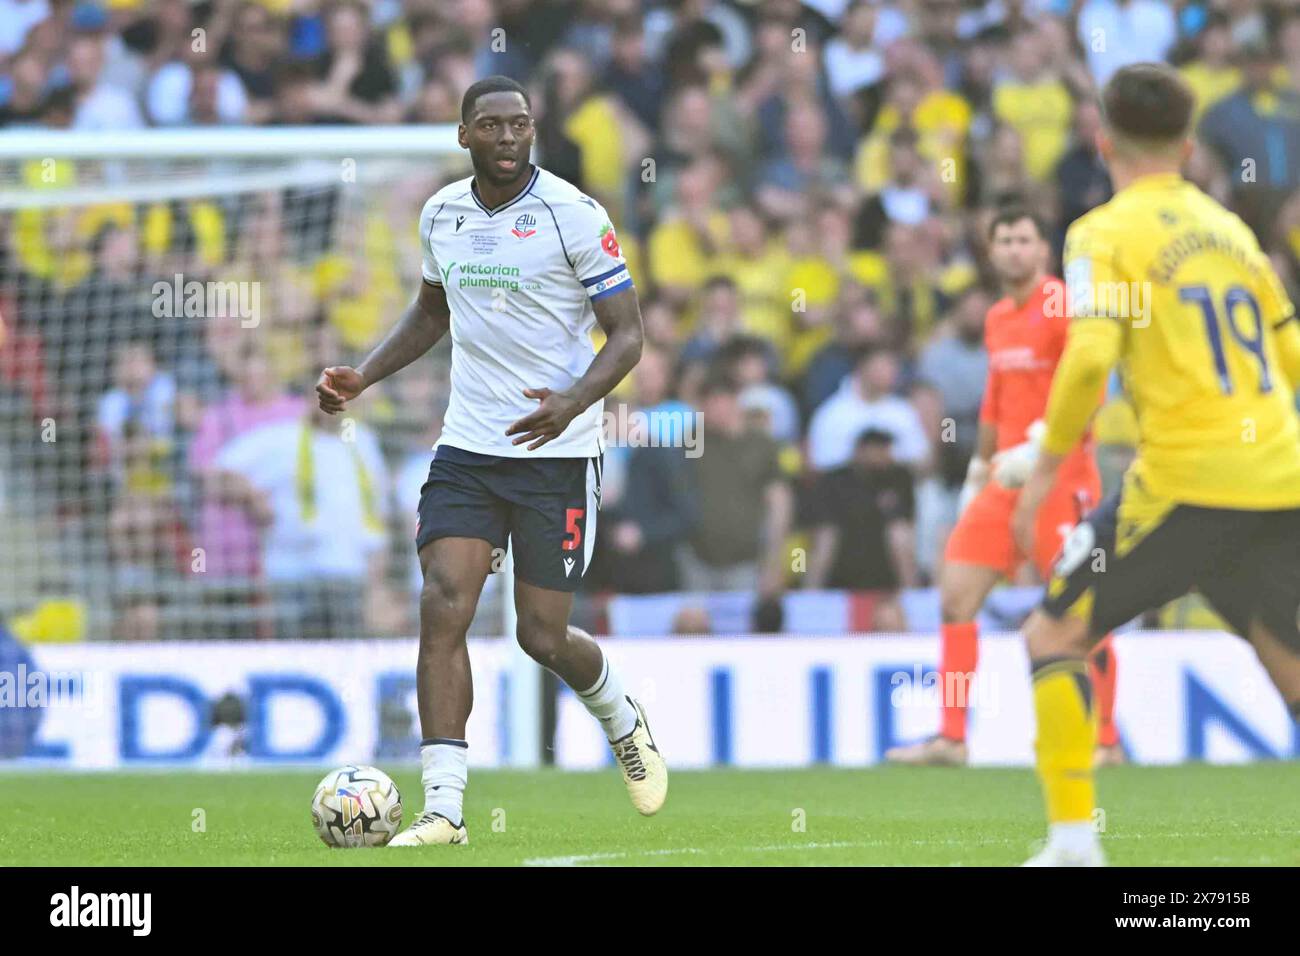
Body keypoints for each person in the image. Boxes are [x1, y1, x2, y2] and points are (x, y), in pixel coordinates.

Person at [315, 76, 666, 847]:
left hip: (557, 454)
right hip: (469, 448)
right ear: (465, 135)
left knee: (540, 637)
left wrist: (573, 401)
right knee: (444, 602)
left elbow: (629, 335)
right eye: (493, 126)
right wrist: (365, 375)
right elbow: (431, 313)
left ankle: (618, 714)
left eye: (521, 125)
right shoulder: (442, 213)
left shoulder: (574, 214)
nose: (509, 137)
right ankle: (445, 809)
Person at [1013, 63, 1300, 865]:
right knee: (1294, 674)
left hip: (1187, 482)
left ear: (1103, 141)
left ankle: (1073, 844)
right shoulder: (1232, 230)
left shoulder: (1101, 232)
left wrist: (1043, 470)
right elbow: (1291, 354)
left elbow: (1087, 358)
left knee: (1053, 633)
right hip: (1280, 475)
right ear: (1187, 146)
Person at [886, 207, 1122, 768]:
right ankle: (951, 737)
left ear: (1042, 250)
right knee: (956, 594)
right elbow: (995, 400)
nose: (1014, 249)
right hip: (1003, 480)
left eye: (1024, 239)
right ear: (991, 253)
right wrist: (977, 469)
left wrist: (1044, 442)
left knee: (1076, 610)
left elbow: (1090, 382)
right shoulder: (996, 318)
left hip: (1059, 475)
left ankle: (1107, 741)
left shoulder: (1062, 304)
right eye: (1004, 240)